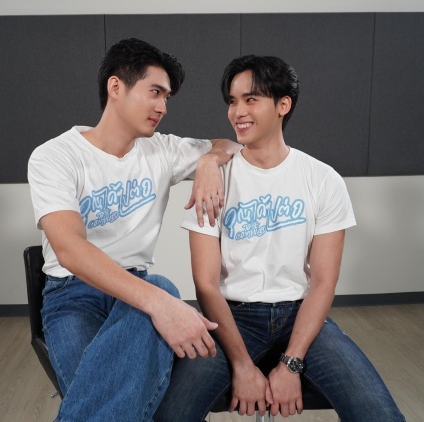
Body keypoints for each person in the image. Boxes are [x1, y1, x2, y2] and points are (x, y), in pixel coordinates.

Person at [154, 55, 406, 421]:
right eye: (232, 101)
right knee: (169, 415)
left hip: (300, 317)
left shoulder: (323, 179)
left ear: (283, 105)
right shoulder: (212, 180)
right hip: (230, 319)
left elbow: (323, 282)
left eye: (251, 99)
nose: (237, 111)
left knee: (379, 413)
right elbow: (206, 284)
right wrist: (242, 366)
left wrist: (291, 364)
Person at [27, 38, 241, 421]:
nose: (163, 107)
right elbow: (70, 249)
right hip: (75, 297)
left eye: (167, 98)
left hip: (136, 293)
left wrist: (209, 162)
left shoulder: (163, 150)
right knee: (162, 291)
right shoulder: (55, 157)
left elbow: (232, 146)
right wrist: (160, 304)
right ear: (116, 86)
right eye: (155, 92)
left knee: (158, 294)